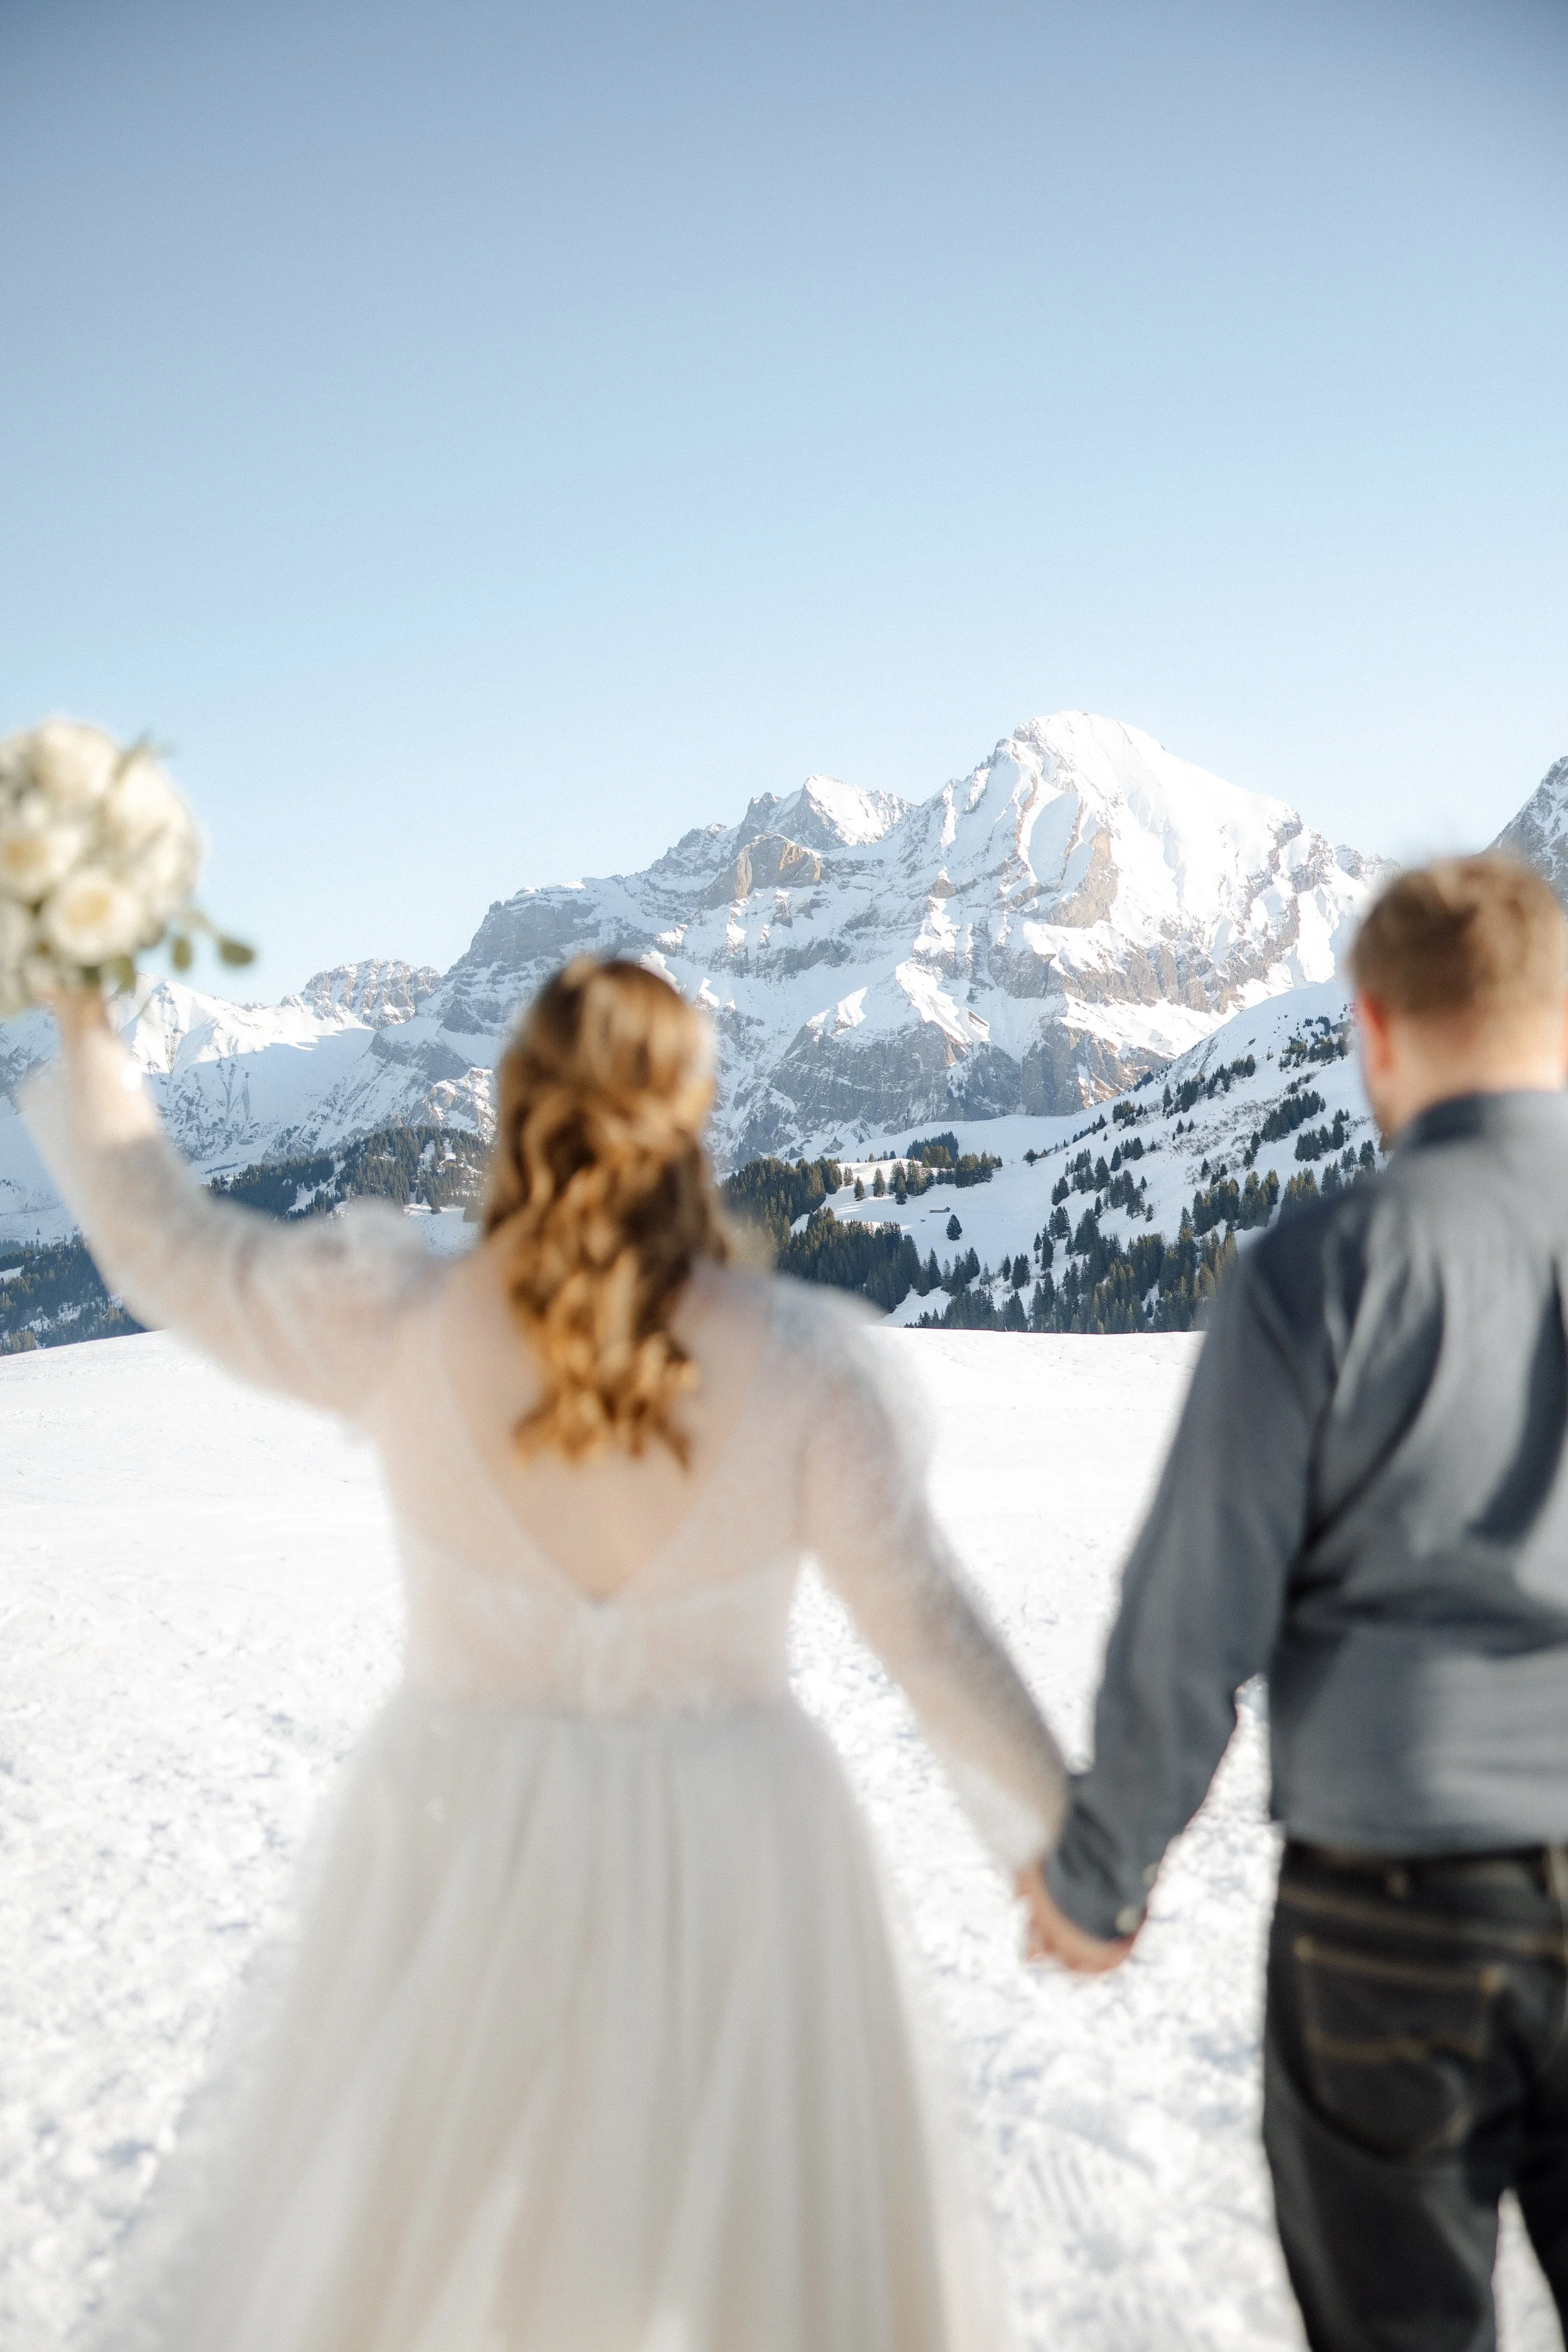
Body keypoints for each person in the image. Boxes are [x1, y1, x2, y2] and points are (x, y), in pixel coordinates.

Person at [28, 956, 1067, 2352]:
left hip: (466, 1845)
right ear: (692, 1117)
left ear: (513, 1106)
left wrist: (92, 1032)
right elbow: (926, 1632)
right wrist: (1066, 1852)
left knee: (466, 2259)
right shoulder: (807, 1368)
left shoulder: (391, 1317)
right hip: (744, 1869)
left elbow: (168, 1248)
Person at [1015, 856, 1568, 2352]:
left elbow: (1188, 1624)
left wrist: (1097, 1874)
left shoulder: (1316, 1270)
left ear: (1373, 1032)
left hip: (1391, 1900)